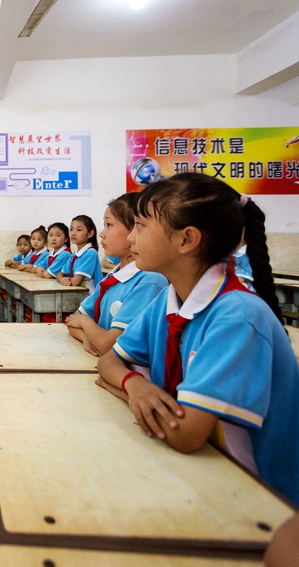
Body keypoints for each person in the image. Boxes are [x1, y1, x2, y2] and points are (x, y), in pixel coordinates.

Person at [96, 173, 299, 506]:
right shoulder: (168, 300)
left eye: (142, 226)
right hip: (202, 474)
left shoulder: (237, 315)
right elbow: (108, 360)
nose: (131, 236)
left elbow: (186, 433)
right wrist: (137, 385)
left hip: (262, 499)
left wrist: (124, 389)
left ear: (186, 239)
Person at [65, 194, 167, 357]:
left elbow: (109, 345)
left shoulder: (150, 280)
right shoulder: (112, 278)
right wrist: (87, 337)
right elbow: (71, 321)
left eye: (109, 225)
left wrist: (85, 323)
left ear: (134, 229)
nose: (102, 234)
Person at [57, 214, 102, 294]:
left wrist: (65, 280)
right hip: (79, 296)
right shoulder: (75, 254)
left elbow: (75, 281)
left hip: (91, 298)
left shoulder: (91, 253)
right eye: (71, 229)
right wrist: (62, 279)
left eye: (79, 230)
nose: (73, 233)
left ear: (90, 233)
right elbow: (59, 274)